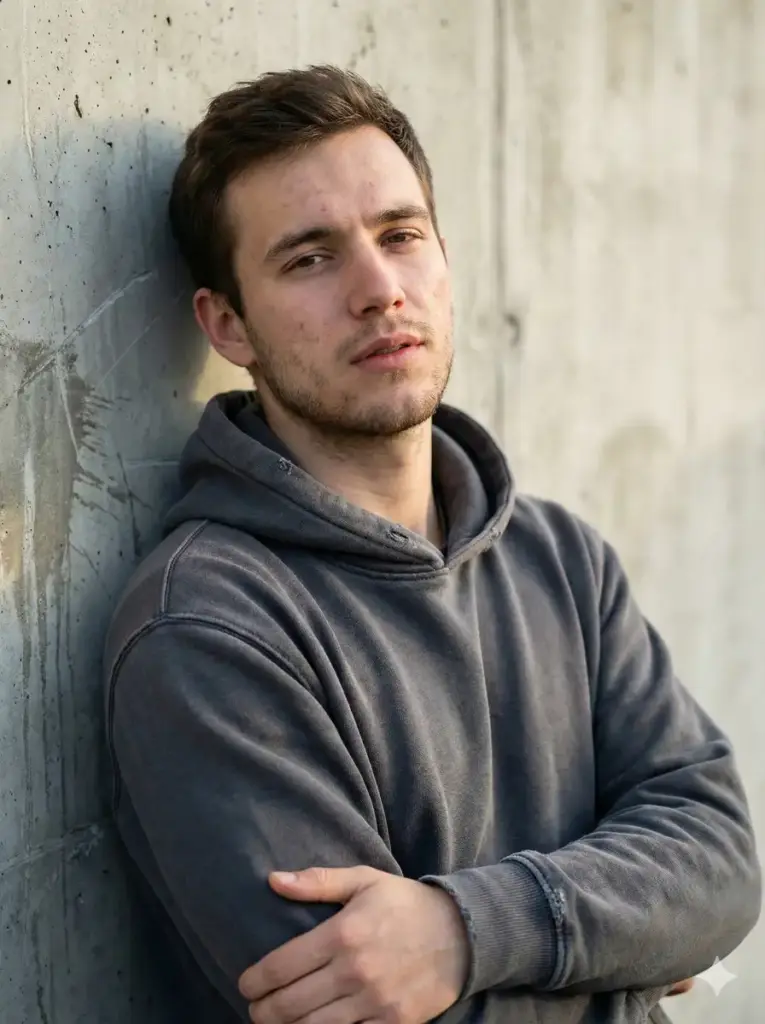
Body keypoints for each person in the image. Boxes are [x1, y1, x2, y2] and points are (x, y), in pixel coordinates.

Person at [104, 65, 761, 1024]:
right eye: (309, 259)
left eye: (400, 236)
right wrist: (624, 950)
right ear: (228, 325)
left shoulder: (559, 559)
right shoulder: (205, 631)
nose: (378, 290)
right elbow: (356, 1007)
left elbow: (718, 860)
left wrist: (464, 932)